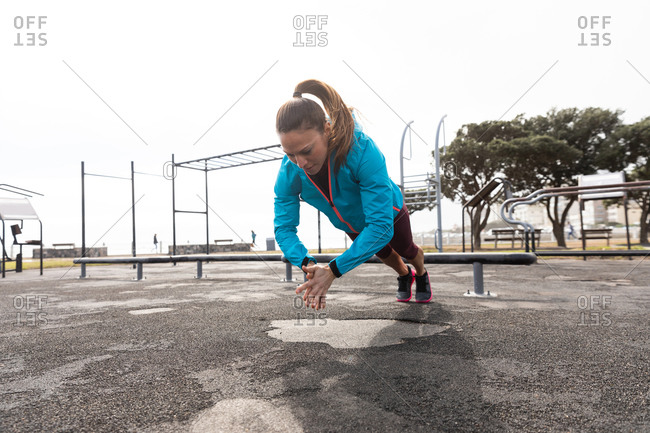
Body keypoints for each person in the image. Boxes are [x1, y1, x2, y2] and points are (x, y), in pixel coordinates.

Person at [274, 79, 431, 310]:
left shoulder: (362, 150)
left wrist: (332, 271)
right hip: (351, 223)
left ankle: (421, 272)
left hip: (390, 214)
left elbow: (380, 227)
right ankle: (404, 275)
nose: (300, 163)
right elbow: (284, 228)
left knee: (406, 249)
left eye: (306, 150)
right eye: (290, 154)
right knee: (387, 256)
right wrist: (307, 264)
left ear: (326, 129)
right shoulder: (290, 171)